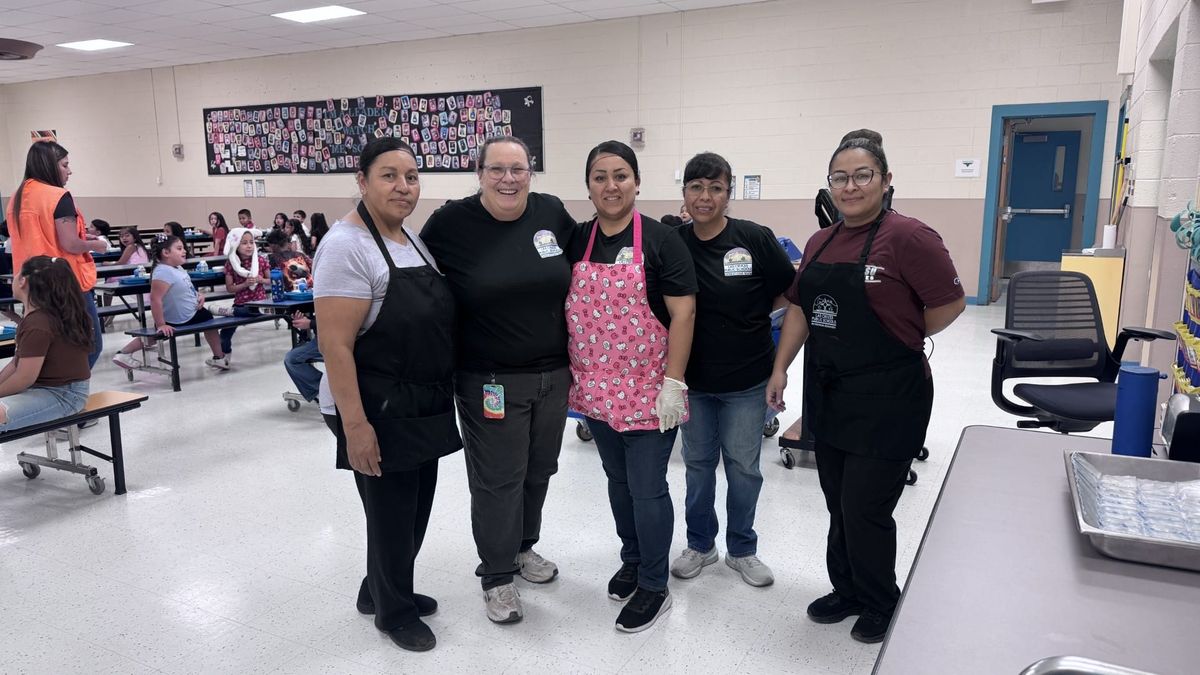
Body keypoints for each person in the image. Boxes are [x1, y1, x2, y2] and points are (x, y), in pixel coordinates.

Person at [766, 136, 965, 643]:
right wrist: (781, 367)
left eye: (862, 175)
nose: (850, 186)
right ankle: (849, 589)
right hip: (830, 390)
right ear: (829, 185)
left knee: (866, 507)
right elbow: (800, 309)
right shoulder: (820, 242)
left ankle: (881, 600)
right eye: (840, 178)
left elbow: (950, 304)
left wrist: (904, 333)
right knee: (836, 500)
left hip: (891, 394)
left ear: (886, 180)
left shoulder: (911, 238)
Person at [420, 136, 576, 625]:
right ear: (479, 172)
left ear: (532, 172)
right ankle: (497, 575)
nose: (509, 178)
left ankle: (523, 548)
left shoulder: (551, 213)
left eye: (519, 169)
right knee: (498, 479)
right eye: (497, 169)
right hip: (490, 380)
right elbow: (417, 283)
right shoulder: (450, 224)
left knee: (539, 469)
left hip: (554, 375)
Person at [315, 137, 461, 652]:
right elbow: (334, 347)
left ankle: (376, 588)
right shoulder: (345, 247)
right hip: (373, 406)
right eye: (389, 176)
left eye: (412, 176)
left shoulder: (409, 239)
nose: (404, 187)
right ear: (361, 181)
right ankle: (393, 612)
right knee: (393, 510)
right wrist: (355, 428)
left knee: (413, 507)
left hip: (419, 401)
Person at [566, 140, 697, 633]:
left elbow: (683, 313)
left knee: (646, 489)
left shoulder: (663, 241)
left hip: (649, 393)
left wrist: (674, 384)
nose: (611, 185)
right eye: (600, 177)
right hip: (595, 392)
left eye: (620, 175)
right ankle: (634, 557)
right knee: (618, 484)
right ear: (589, 187)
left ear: (637, 182)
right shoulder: (578, 239)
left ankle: (655, 584)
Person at [671, 151, 796, 587]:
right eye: (696, 187)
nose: (705, 197)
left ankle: (743, 549)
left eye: (716, 188)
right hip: (693, 382)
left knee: (744, 467)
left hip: (747, 380)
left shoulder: (754, 238)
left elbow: (788, 294)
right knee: (698, 465)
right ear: (684, 192)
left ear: (729, 193)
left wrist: (759, 328)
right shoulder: (674, 243)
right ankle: (701, 545)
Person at [5, 141, 106, 368]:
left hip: (30, 283)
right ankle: (68, 393)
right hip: (64, 283)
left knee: (46, 348)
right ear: (49, 165)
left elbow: (39, 236)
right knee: (89, 345)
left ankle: (52, 390)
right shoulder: (58, 196)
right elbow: (69, 244)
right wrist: (96, 245)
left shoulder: (17, 198)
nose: (69, 171)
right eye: (64, 165)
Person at [111, 235, 230, 371]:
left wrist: (198, 295)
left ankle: (124, 352)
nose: (184, 251)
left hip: (186, 313)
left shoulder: (176, 268)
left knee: (205, 318)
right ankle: (219, 357)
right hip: (180, 317)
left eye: (183, 248)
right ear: (166, 253)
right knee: (207, 319)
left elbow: (185, 287)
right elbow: (155, 299)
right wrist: (161, 324)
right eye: (179, 248)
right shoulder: (162, 272)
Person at [0, 256, 91, 432]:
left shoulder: (38, 323)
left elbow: (24, 378)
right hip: (48, 390)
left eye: (16, 273)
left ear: (23, 281)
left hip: (64, 395)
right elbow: (15, 364)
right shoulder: (41, 316)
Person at [216, 227, 269, 357]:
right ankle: (225, 356)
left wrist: (261, 280)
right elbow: (230, 288)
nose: (249, 246)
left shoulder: (260, 260)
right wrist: (245, 284)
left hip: (260, 304)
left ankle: (230, 312)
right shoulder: (231, 264)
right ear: (235, 246)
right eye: (244, 243)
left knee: (251, 310)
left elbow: (271, 280)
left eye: (251, 242)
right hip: (241, 304)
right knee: (225, 332)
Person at [283, 311, 321, 403]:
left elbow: (342, 321)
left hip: (341, 338)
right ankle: (323, 389)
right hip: (320, 339)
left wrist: (311, 323)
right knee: (291, 359)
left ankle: (328, 389)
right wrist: (302, 319)